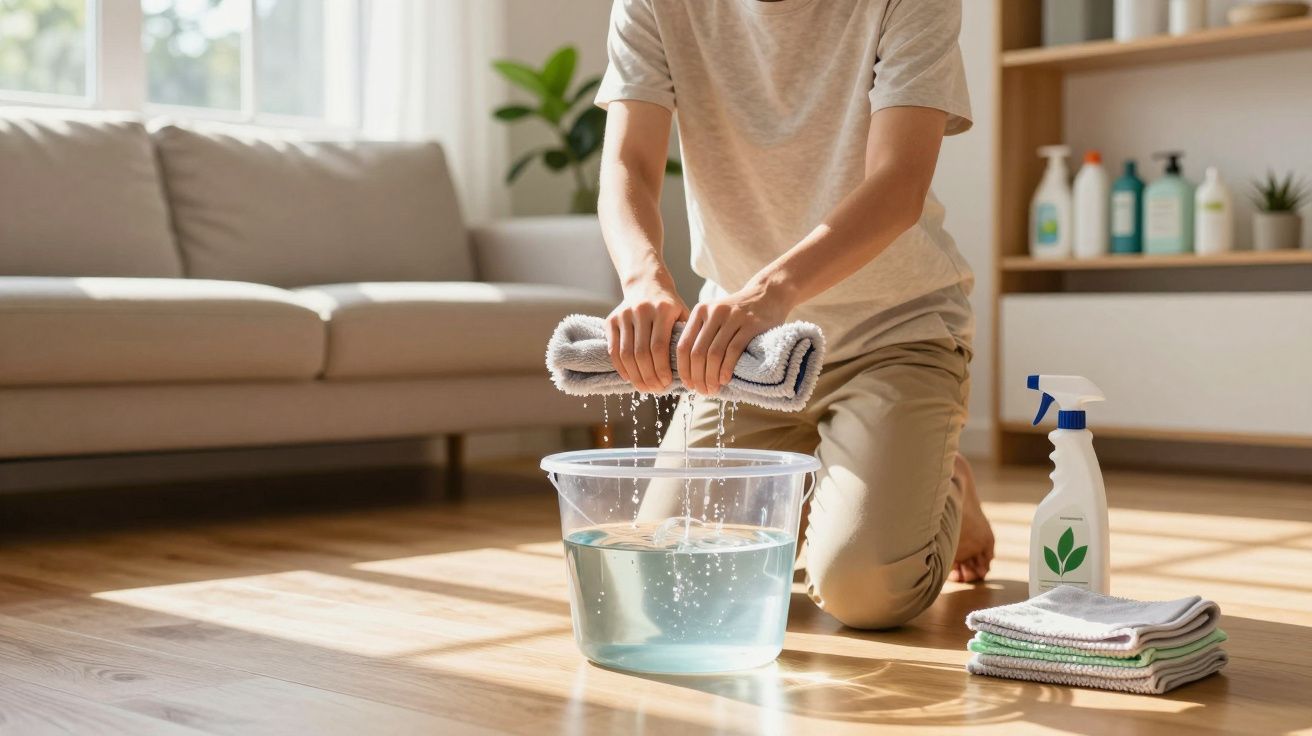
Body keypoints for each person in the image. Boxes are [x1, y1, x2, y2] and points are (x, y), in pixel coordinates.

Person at [594, 0, 994, 629]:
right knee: (674, 580)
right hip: (745, 354)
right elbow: (628, 162)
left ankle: (942, 482)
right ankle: (874, 466)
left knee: (862, 592)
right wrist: (644, 278)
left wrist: (770, 291)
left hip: (893, 333)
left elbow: (899, 184)